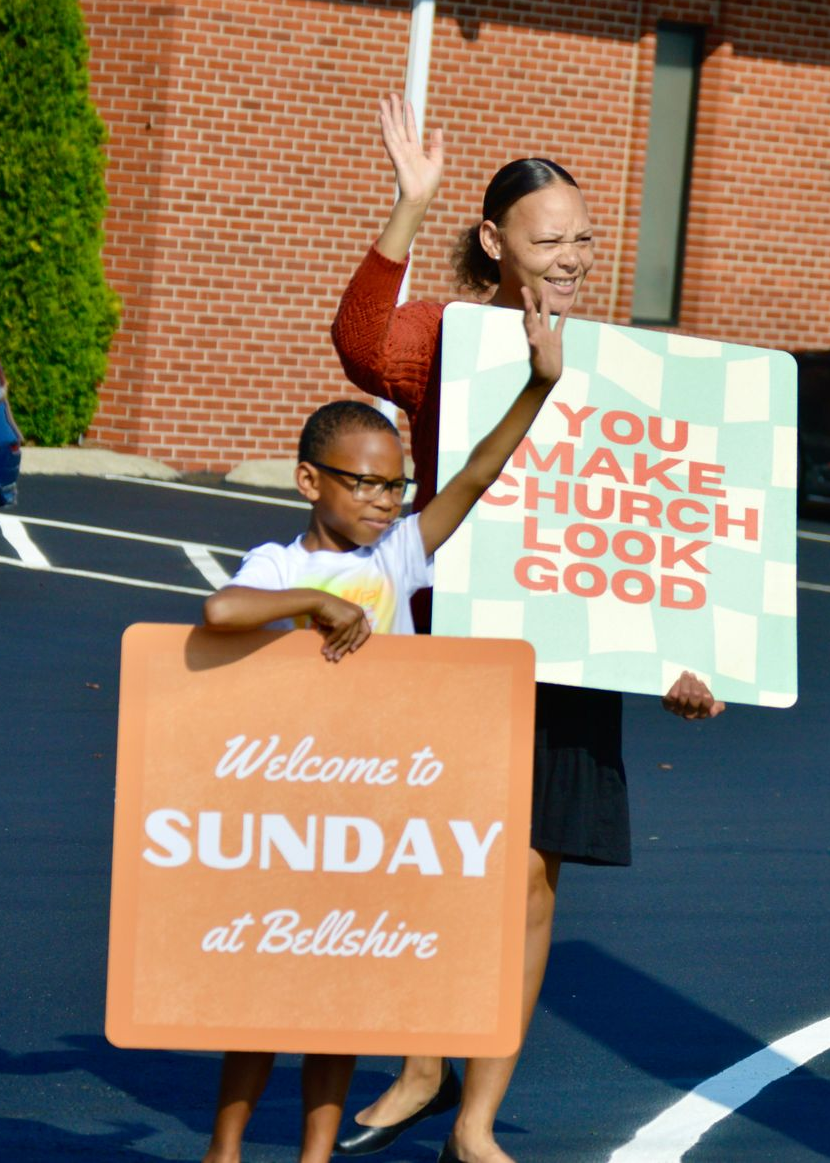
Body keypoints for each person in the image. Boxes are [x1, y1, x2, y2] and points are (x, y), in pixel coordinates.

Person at [329, 94, 725, 1163]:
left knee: (534, 880)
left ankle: (475, 1118)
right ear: (498, 244)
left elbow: (656, 521)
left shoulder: (624, 361)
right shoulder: (445, 340)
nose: (571, 258)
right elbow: (361, 346)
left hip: (572, 650)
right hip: (450, 643)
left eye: (585, 240)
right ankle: (419, 1063)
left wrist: (690, 653)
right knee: (431, 861)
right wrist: (409, 204)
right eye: (549, 241)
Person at [197, 278, 567, 1163]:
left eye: (396, 484)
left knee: (344, 995)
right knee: (270, 994)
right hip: (290, 807)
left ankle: (316, 1154)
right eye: (364, 483)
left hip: (376, 808)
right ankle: (226, 1145)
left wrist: (539, 384)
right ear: (308, 480)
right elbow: (221, 614)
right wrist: (315, 603)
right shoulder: (279, 559)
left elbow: (476, 470)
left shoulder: (402, 551)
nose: (384, 500)